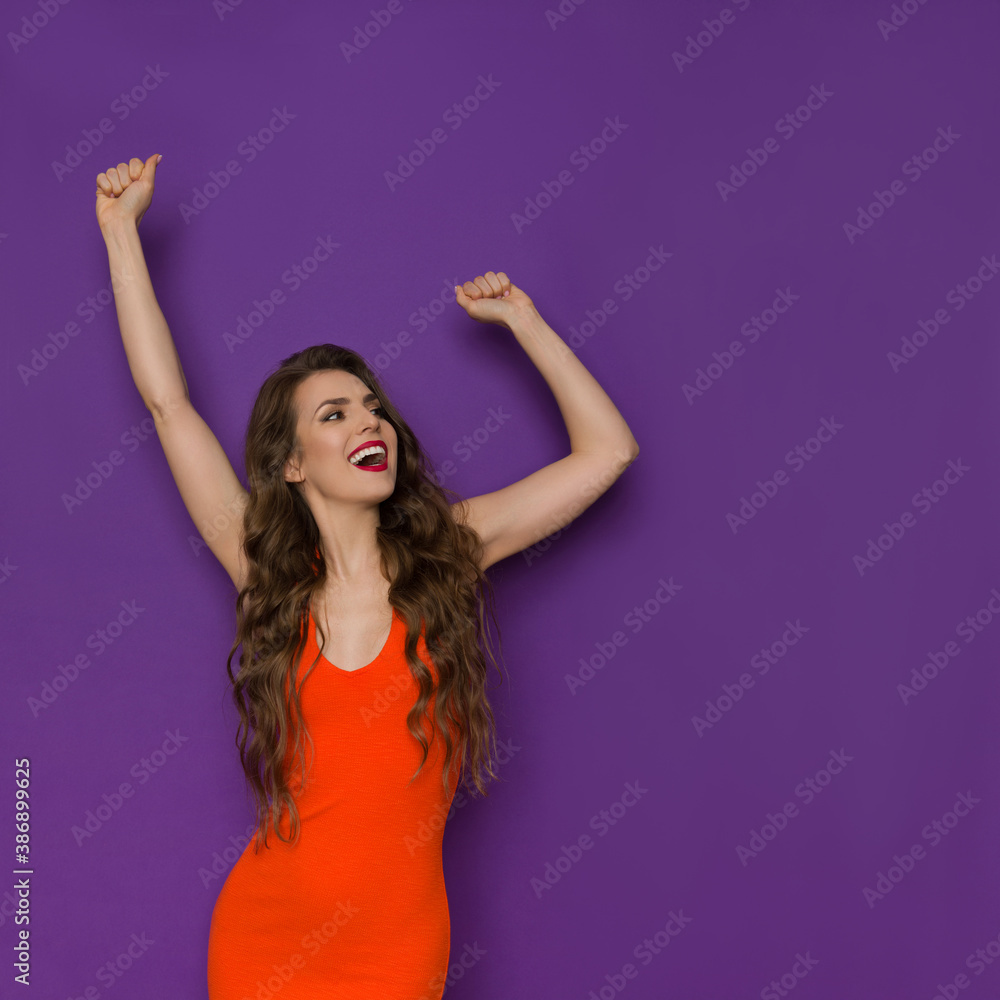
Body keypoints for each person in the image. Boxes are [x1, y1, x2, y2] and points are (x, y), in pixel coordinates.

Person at [94, 153, 640, 999]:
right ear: (291, 464)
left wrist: (525, 321)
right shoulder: (265, 573)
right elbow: (171, 407)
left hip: (394, 951)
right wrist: (120, 232)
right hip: (261, 937)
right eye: (335, 413)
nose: (368, 421)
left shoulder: (451, 550)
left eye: (373, 406)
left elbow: (608, 453)